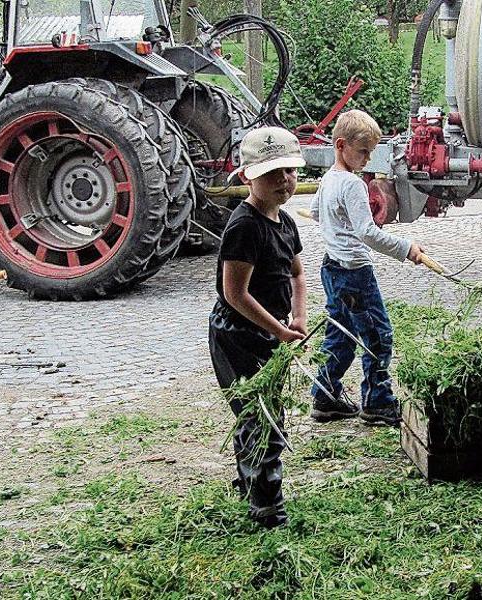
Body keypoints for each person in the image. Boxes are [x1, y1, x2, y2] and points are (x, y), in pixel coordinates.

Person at [208, 126, 308, 528]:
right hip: (238, 335)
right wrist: (280, 332)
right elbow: (235, 295)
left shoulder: (285, 223)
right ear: (248, 175)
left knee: (263, 411)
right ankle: (266, 504)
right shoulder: (244, 227)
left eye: (290, 170)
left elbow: (297, 274)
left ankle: (250, 481)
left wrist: (298, 316)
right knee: (260, 415)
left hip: (270, 332)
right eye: (272, 172)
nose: (284, 180)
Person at [308, 109, 425, 426]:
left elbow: (316, 213)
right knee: (378, 335)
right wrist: (406, 249)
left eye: (371, 152)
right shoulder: (352, 185)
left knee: (341, 333)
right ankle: (377, 403)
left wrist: (337, 228)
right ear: (341, 144)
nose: (367, 159)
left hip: (331, 268)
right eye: (363, 151)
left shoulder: (328, 179)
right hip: (356, 273)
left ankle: (324, 395)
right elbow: (367, 232)